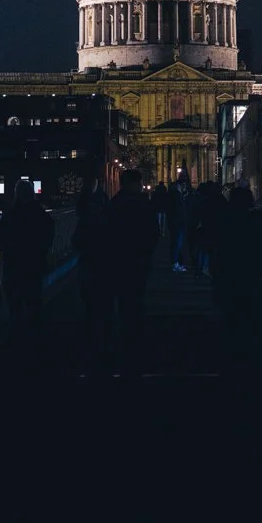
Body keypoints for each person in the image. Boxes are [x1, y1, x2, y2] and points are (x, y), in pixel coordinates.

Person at [96, 168, 159, 380]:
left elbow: (103, 235)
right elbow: (153, 234)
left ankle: (113, 349)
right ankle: (134, 349)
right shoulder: (143, 205)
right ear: (134, 184)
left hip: (115, 264)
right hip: (137, 263)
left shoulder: (112, 205)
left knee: (119, 304)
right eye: (140, 183)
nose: (142, 186)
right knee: (134, 305)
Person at [213, 186, 262, 377]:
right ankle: (259, 370)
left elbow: (219, 252)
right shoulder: (260, 222)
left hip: (230, 281)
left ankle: (231, 367)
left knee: (231, 324)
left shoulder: (226, 223)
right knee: (257, 325)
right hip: (256, 281)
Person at [0, 178, 56, 350]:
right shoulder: (41, 214)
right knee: (34, 299)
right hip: (34, 263)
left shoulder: (11, 215)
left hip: (13, 263)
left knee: (15, 302)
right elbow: (49, 233)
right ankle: (35, 339)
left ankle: (17, 339)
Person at [72, 163, 110, 372]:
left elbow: (76, 241)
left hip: (89, 261)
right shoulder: (102, 207)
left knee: (90, 298)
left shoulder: (85, 213)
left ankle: (91, 336)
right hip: (100, 262)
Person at [166, 171, 191, 272]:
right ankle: (175, 263)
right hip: (178, 222)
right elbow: (179, 209)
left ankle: (176, 262)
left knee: (177, 243)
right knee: (177, 243)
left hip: (176, 222)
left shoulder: (175, 194)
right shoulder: (176, 195)